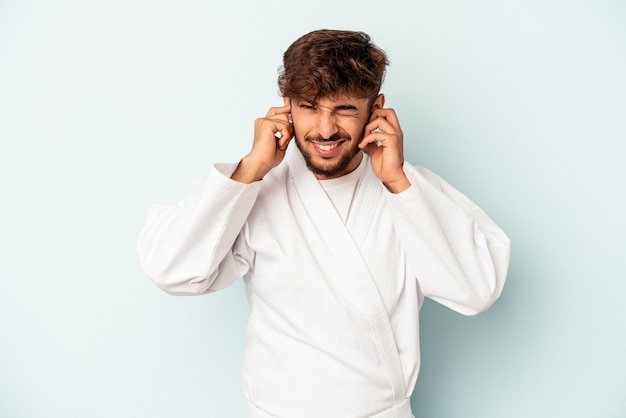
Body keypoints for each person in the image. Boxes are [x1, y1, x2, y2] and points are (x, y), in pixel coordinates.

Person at [137, 29, 510, 418]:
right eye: (310, 107)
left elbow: (476, 291)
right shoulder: (252, 189)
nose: (326, 129)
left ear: (376, 109)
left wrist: (399, 182)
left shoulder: (407, 190)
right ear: (287, 108)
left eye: (345, 109)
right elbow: (169, 270)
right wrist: (251, 169)